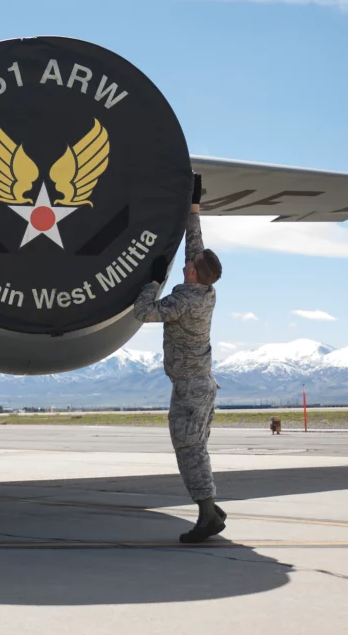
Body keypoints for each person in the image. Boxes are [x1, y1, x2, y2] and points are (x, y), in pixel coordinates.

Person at [133, 173, 225, 544]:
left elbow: (143, 312)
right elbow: (195, 245)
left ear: (194, 274)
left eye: (193, 262)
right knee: (195, 447)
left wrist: (153, 283)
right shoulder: (204, 288)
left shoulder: (184, 301)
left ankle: (206, 514)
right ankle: (210, 506)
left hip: (190, 390)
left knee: (188, 450)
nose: (189, 260)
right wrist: (193, 207)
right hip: (200, 385)